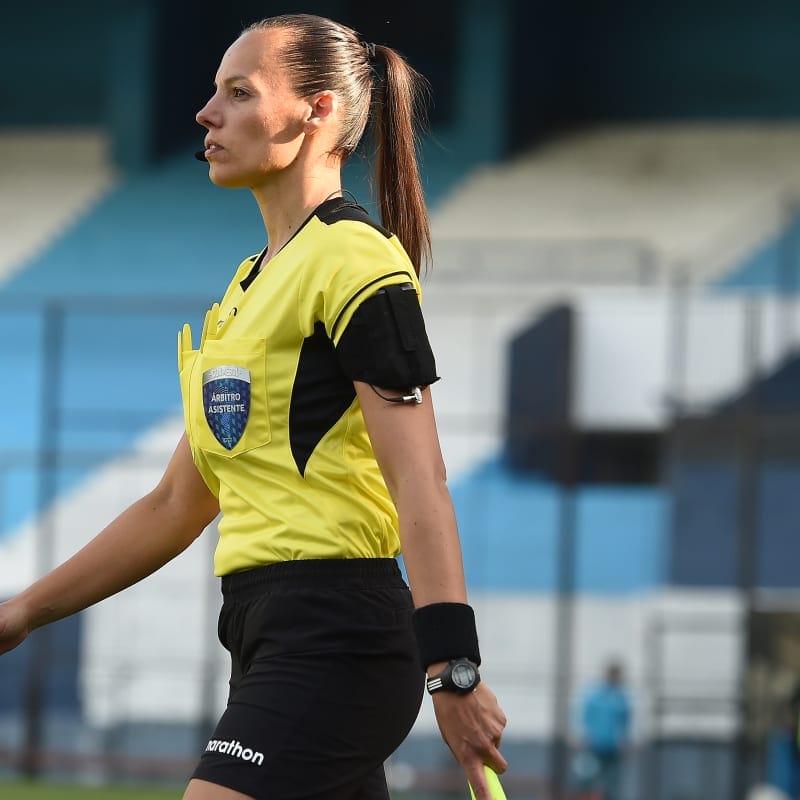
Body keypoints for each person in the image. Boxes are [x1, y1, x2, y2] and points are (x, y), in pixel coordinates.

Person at [0, 12, 508, 800]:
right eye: (214, 93)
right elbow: (178, 499)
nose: (207, 113)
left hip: (336, 635)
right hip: (260, 633)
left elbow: (421, 480)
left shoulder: (356, 261)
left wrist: (453, 669)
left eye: (239, 93)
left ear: (319, 112)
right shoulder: (246, 288)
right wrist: (25, 610)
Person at [576, 661, 631, 800]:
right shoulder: (595, 696)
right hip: (594, 746)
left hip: (613, 749)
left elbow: (625, 722)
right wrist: (582, 736)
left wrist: (625, 742)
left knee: (612, 784)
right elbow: (584, 717)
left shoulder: (621, 698)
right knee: (587, 780)